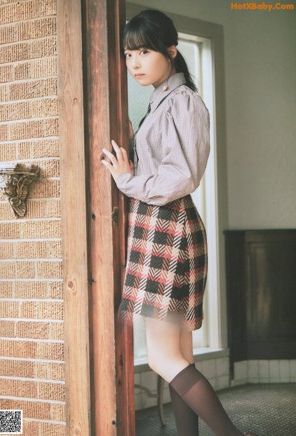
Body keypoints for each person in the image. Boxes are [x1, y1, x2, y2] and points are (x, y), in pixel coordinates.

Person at [101, 9, 259, 436]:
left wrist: (127, 180)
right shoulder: (161, 101)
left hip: (166, 229)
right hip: (164, 227)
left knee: (162, 358)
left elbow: (182, 176)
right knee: (179, 358)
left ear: (171, 50)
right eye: (129, 53)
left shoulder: (183, 100)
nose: (134, 62)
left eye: (144, 51)